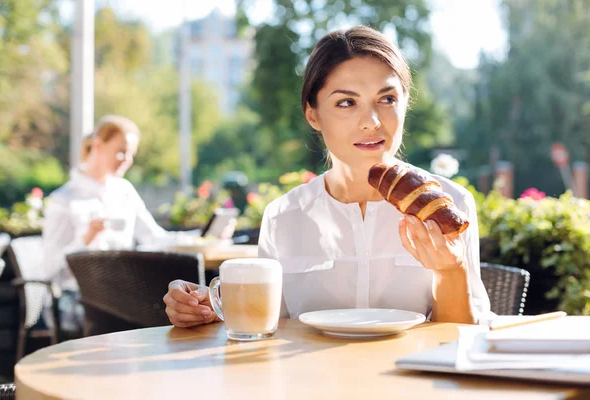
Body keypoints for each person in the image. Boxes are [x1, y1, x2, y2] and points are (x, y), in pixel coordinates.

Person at [163, 26, 491, 328]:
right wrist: (204, 308)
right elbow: (266, 329)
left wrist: (451, 271)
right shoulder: (283, 217)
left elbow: (459, 339)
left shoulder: (450, 206)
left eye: (387, 99)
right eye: (347, 102)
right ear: (313, 114)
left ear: (405, 104)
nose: (372, 121)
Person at [42, 115, 211, 329]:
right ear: (97, 146)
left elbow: (154, 237)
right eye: (121, 151)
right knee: (163, 315)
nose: (127, 160)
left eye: (131, 154)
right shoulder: (64, 200)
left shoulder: (124, 191)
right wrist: (85, 239)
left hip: (121, 297)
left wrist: (202, 237)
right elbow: (49, 268)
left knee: (184, 306)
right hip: (76, 301)